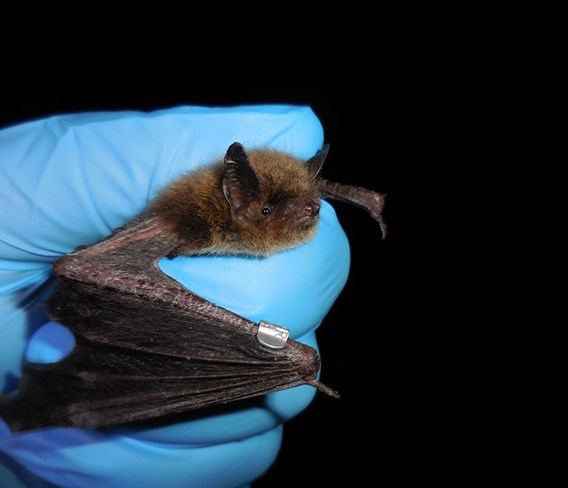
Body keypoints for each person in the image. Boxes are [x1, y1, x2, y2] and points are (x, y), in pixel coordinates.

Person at [0, 105, 350, 487]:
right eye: (270, 209)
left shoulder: (288, 207)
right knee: (296, 358)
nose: (308, 211)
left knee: (290, 357)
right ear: (240, 201)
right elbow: (87, 268)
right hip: (133, 267)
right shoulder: (192, 224)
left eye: (309, 201)